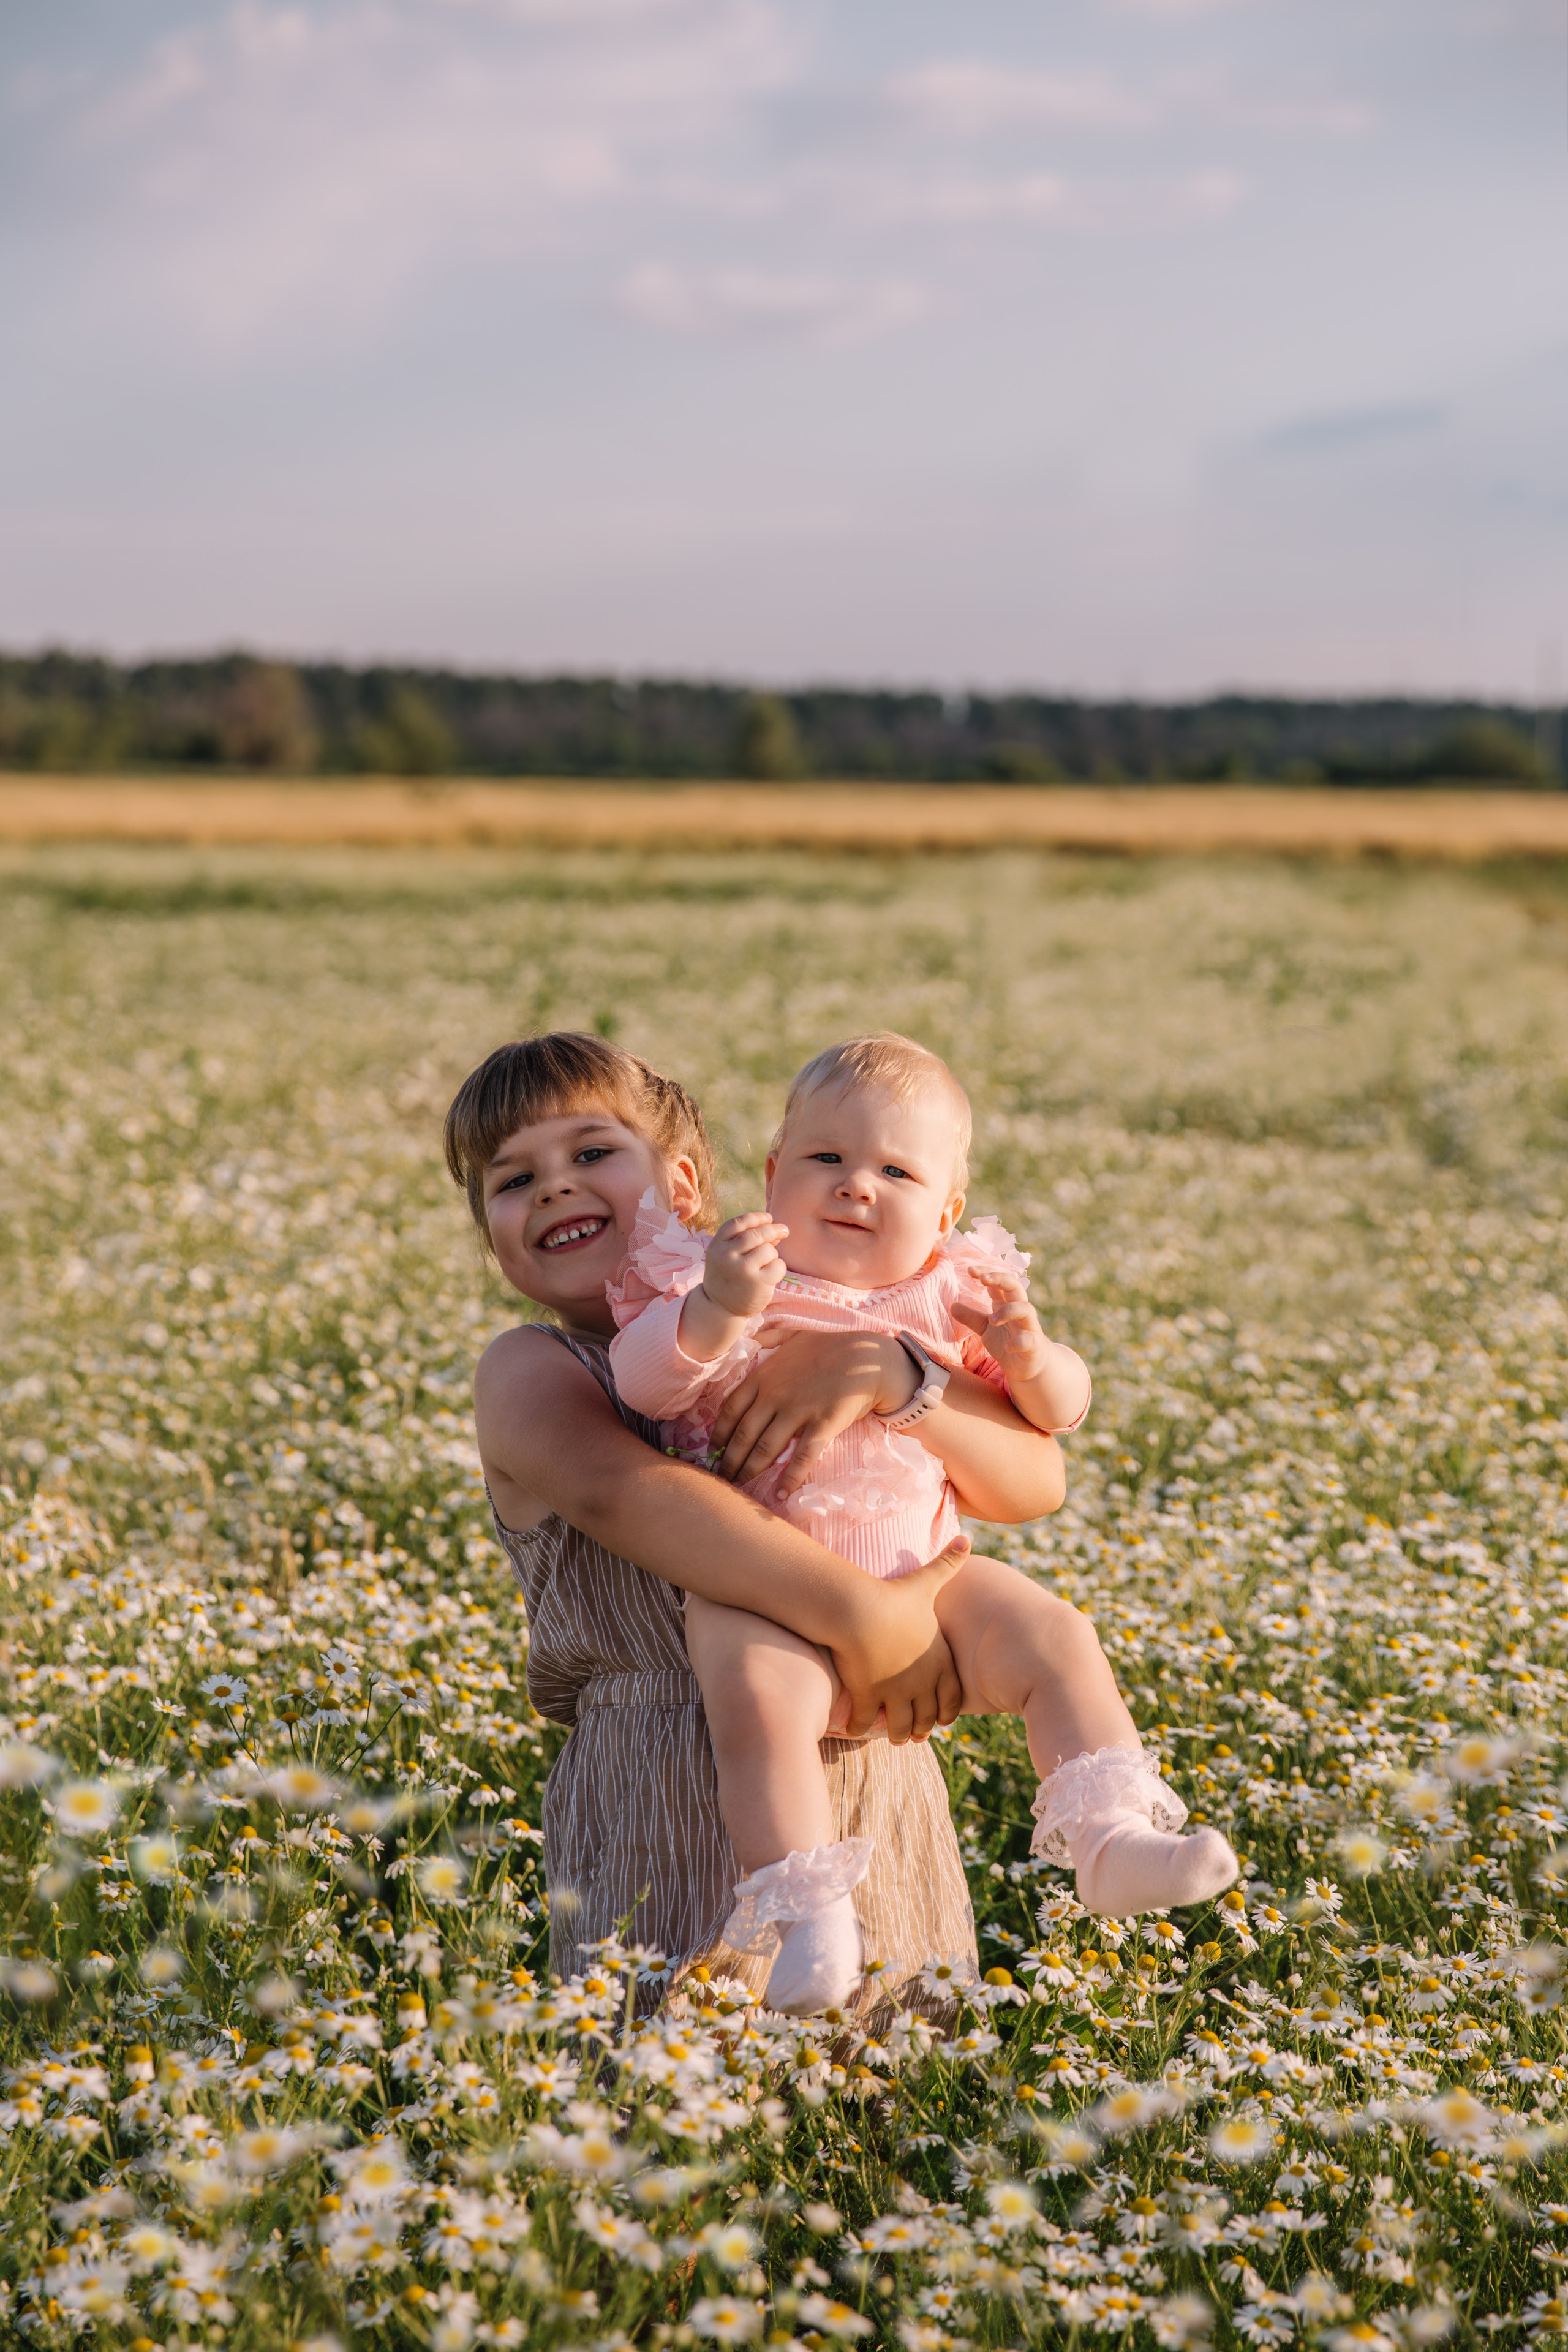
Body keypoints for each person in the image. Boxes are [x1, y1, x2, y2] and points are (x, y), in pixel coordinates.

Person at [608, 1033, 1238, 2011]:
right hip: (766, 1587)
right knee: (757, 1704)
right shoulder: (727, 1279)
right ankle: (806, 1920)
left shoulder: (950, 1292)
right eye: (826, 1159)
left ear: (944, 1212)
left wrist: (1033, 1359)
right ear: (774, 1176)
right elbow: (643, 1380)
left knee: (1055, 1636)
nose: (856, 1185)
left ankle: (1110, 1840)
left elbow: (1055, 1419)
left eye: (894, 1172)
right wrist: (717, 1314)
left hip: (929, 1577)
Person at [449, 1033, 979, 2016]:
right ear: (492, 1231)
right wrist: (878, 1622)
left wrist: (892, 1374)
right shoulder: (530, 1372)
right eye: (513, 1180)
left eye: (591, 1154)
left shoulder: (817, 1321)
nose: (557, 1189)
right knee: (674, 2102)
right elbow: (640, 1500)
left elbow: (1037, 1470)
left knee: (888, 2108)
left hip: (868, 1765)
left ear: (683, 1181)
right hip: (662, 1789)